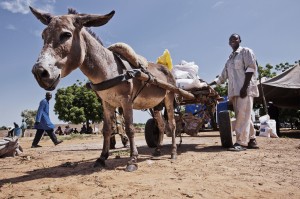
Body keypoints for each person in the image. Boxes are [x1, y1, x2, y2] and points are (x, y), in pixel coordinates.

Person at [209, 33, 259, 151]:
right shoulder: (230, 59)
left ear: (240, 40)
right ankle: (252, 140)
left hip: (244, 90)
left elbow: (251, 68)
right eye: (230, 39)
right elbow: (222, 76)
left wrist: (244, 88)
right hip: (235, 92)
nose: (233, 41)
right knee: (244, 116)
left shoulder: (246, 52)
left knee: (242, 115)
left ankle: (241, 143)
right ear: (229, 43)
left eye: (235, 39)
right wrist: (208, 84)